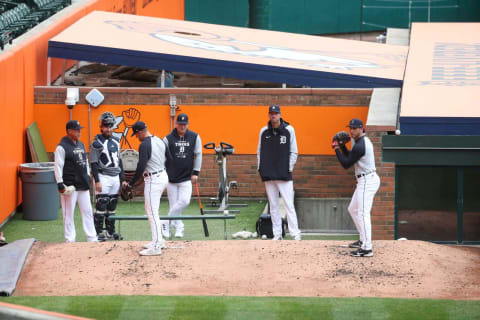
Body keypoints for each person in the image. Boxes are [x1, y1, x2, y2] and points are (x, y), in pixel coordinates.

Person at [333, 118, 380, 257]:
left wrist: (336, 148)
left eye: (354, 128)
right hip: (365, 180)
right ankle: (363, 240)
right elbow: (350, 157)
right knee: (353, 209)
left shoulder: (360, 145)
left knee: (362, 213)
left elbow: (346, 163)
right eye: (350, 128)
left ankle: (367, 248)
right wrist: (342, 147)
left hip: (367, 181)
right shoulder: (360, 142)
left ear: (361, 129)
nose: (351, 131)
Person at [257, 104, 301, 241]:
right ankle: (277, 234)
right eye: (271, 113)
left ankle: (295, 233)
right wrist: (260, 168)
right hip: (268, 174)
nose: (273, 115)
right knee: (273, 206)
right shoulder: (263, 131)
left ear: (280, 114)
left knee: (289, 204)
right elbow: (259, 151)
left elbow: (294, 151)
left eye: (276, 113)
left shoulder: (289, 130)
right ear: (269, 115)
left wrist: (289, 168)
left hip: (284, 174)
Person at [126, 121, 168, 256]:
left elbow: (141, 166)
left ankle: (156, 246)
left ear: (140, 132)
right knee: (153, 210)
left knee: (151, 212)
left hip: (154, 180)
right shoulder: (160, 140)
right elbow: (170, 158)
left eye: (136, 134)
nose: (136, 137)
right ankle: (159, 241)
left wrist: (130, 184)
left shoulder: (144, 144)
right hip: (162, 175)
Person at [54, 120, 98, 243]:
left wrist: (88, 176)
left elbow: (85, 162)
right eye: (76, 130)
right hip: (70, 185)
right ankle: (70, 240)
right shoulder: (61, 147)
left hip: (83, 185)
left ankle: (92, 238)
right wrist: (60, 183)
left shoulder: (81, 144)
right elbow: (58, 166)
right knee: (68, 214)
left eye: (79, 129)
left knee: (88, 211)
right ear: (69, 131)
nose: (79, 132)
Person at [163, 113, 202, 238]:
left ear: (188, 124)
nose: (182, 126)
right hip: (171, 178)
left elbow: (198, 154)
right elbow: (162, 157)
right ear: (176, 124)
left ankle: (165, 222)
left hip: (186, 177)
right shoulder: (168, 138)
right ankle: (178, 228)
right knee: (174, 205)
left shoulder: (194, 137)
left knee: (184, 201)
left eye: (184, 124)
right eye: (180, 124)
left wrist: (196, 172)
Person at [90, 111, 125, 241]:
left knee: (112, 205)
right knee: (101, 204)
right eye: (106, 126)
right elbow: (93, 163)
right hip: (103, 176)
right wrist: (97, 180)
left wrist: (123, 180)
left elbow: (119, 161)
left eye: (110, 126)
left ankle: (110, 232)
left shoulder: (116, 141)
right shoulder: (96, 142)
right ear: (101, 126)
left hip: (115, 176)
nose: (108, 129)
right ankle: (98, 233)